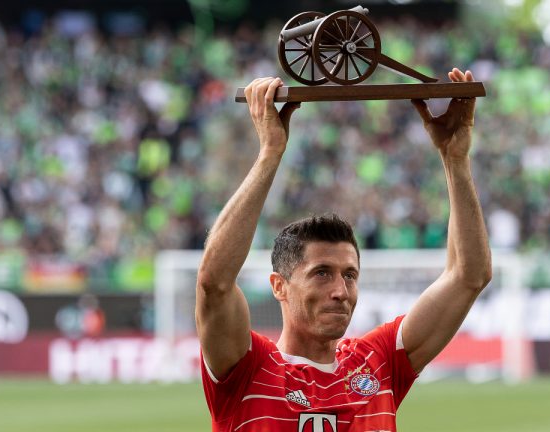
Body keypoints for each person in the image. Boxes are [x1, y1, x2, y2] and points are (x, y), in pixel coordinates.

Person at [195, 68, 492, 432]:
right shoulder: (247, 368)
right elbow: (214, 282)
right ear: (279, 285)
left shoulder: (379, 362)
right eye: (322, 273)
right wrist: (270, 153)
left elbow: (468, 276)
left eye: (349, 275)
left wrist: (455, 160)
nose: (341, 291)